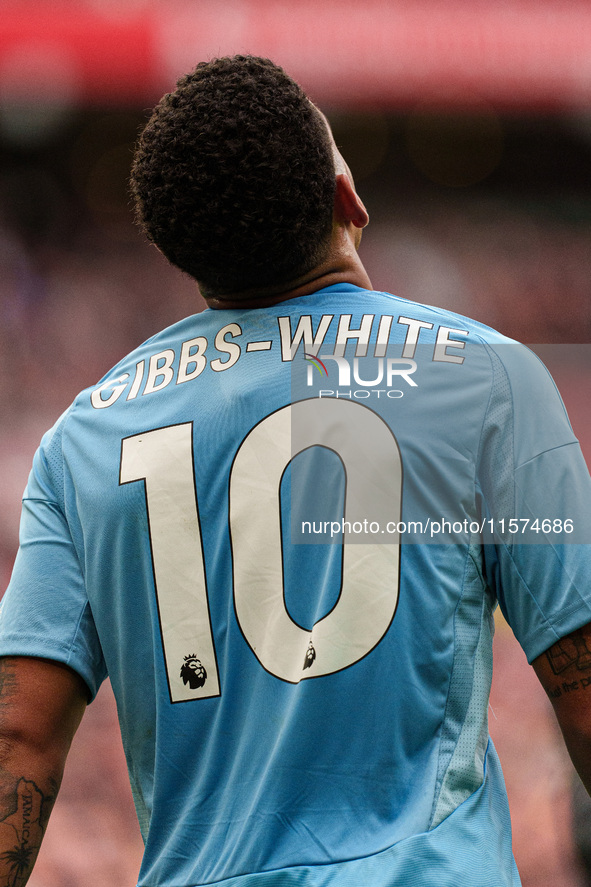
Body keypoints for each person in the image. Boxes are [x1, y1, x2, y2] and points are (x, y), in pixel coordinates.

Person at [0, 54, 590, 887]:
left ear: (183, 252)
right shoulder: (483, 377)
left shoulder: (83, 438)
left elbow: (19, 736)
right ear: (347, 199)